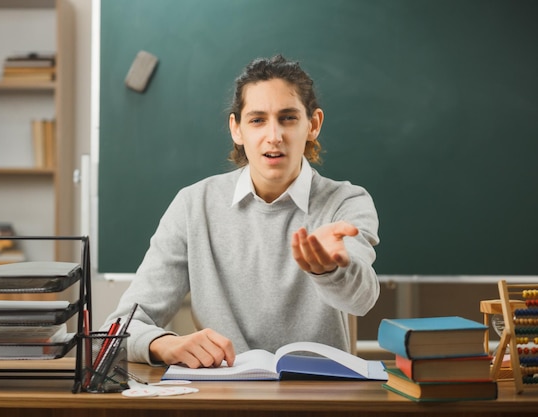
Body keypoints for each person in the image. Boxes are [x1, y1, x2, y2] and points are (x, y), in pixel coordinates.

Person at [102, 54, 380, 369]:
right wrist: (165, 344)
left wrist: (330, 270)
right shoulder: (193, 205)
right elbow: (121, 327)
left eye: (288, 118)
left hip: (322, 397)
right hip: (226, 397)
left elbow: (362, 300)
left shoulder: (346, 202)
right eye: (257, 119)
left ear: (312, 125)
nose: (273, 136)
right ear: (237, 129)